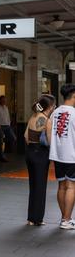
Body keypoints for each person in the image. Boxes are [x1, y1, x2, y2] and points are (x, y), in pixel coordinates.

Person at [24, 94, 56, 226]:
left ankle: (31, 218)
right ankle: (37, 218)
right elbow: (50, 142)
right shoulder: (47, 121)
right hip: (41, 155)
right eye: (54, 105)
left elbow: (25, 136)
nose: (54, 107)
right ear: (50, 106)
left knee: (33, 186)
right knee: (40, 187)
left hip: (30, 152)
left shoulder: (33, 116)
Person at [48, 84, 75, 230]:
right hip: (71, 155)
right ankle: (67, 219)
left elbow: (49, 131)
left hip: (57, 155)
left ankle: (64, 218)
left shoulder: (55, 112)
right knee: (71, 186)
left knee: (61, 186)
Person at [0, 95, 15, 162]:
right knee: (0, 142)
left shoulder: (6, 107)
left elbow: (7, 116)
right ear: (0, 100)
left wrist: (9, 123)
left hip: (7, 126)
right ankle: (2, 157)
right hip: (0, 126)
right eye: (3, 100)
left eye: (5, 100)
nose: (4, 101)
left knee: (13, 138)